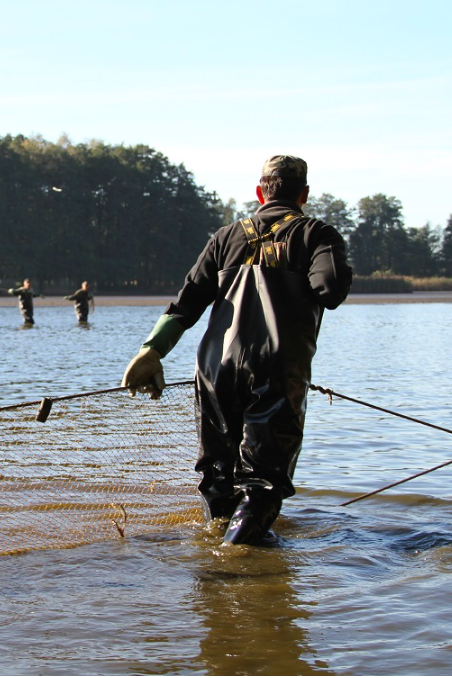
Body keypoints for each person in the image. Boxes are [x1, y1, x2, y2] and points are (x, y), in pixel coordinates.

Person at [121, 155, 352, 545]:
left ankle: (215, 553)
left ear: (260, 192)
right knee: (262, 480)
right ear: (304, 194)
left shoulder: (226, 236)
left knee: (217, 473)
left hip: (214, 371)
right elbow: (331, 291)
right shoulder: (317, 234)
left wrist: (152, 350)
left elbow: (187, 303)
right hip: (276, 371)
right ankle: (236, 559)